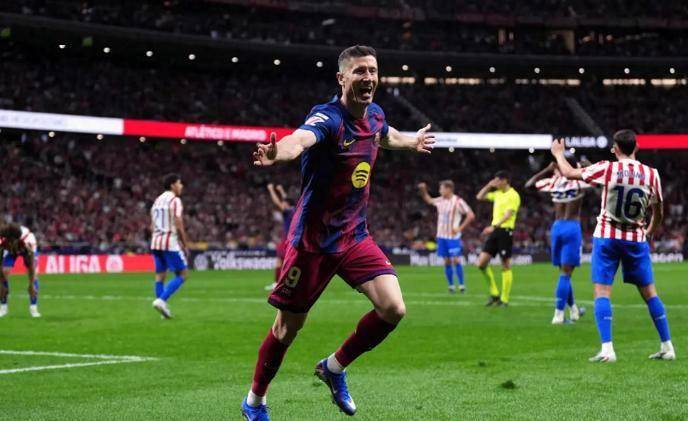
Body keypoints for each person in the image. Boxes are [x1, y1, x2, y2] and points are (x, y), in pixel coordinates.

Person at [242, 45, 436, 421]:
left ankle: (333, 368)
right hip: (313, 243)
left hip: (353, 236)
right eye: (360, 71)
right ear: (341, 78)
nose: (368, 77)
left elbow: (384, 134)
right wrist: (277, 153)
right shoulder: (328, 118)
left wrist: (411, 141)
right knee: (286, 329)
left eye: (373, 71)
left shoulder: (375, 114)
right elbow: (300, 140)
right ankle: (254, 401)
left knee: (393, 308)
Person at [551, 130, 675, 362]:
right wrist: (649, 231)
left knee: (602, 291)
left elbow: (568, 173)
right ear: (636, 147)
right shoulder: (652, 174)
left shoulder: (607, 169)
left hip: (608, 237)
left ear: (615, 149)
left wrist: (558, 154)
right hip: (636, 238)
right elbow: (658, 211)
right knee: (650, 293)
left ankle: (607, 349)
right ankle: (667, 346)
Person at [525, 156, 591, 324]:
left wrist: (547, 170)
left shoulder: (553, 182)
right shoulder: (579, 181)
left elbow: (529, 185)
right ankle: (559, 315)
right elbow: (603, 181)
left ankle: (573, 310)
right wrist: (588, 166)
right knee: (566, 274)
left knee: (563, 272)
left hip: (556, 228)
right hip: (572, 227)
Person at [418, 180, 475, 293]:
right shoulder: (440, 200)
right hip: (441, 236)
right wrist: (423, 190)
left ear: (448, 189)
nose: (440, 191)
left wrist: (460, 228)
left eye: (441, 188)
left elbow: (471, 215)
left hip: (453, 237)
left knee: (457, 260)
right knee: (447, 261)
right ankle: (451, 286)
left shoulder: (458, 201)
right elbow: (429, 200)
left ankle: (461, 285)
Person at [475, 171, 521, 306]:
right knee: (481, 263)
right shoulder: (497, 194)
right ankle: (494, 293)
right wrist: (489, 185)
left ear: (505, 180)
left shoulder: (513, 195)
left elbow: (508, 214)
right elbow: (479, 196)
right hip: (495, 231)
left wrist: (493, 226)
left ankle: (504, 299)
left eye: (497, 180)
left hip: (505, 231)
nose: (496, 183)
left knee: (505, 265)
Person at [150, 173, 190, 319]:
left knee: (160, 276)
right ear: (173, 185)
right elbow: (178, 222)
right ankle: (161, 300)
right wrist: (184, 243)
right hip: (169, 241)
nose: (181, 186)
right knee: (183, 274)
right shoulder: (175, 200)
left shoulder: (157, 200)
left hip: (155, 242)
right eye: (179, 183)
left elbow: (152, 225)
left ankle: (163, 309)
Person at [0, 224, 41, 318]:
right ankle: (3, 307)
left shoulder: (28, 241)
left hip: (24, 248)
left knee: (34, 276)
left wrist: (31, 284)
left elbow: (31, 267)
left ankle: (33, 308)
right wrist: (2, 283)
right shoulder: (2, 240)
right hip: (12, 249)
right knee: (5, 271)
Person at [265, 183, 295, 291]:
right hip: (292, 239)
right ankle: (287, 283)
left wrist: (271, 190)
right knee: (288, 263)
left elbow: (277, 202)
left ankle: (277, 283)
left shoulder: (287, 211)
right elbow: (287, 200)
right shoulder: (294, 210)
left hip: (286, 240)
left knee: (279, 261)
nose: (282, 203)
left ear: (286, 204)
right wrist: (281, 190)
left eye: (284, 203)